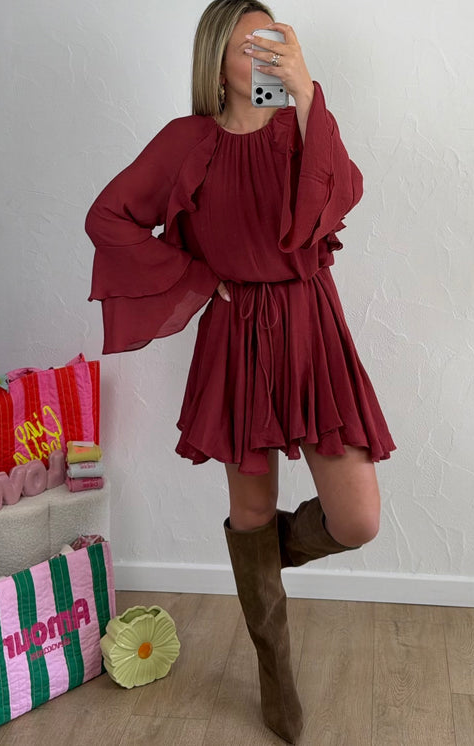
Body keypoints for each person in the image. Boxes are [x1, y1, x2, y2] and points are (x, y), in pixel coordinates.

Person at [85, 0, 396, 742]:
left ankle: (260, 563)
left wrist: (308, 93)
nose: (266, 51)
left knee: (356, 519)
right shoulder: (185, 141)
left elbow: (342, 193)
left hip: (311, 325)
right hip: (238, 337)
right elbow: (108, 217)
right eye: (248, 41)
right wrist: (198, 277)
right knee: (251, 511)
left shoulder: (300, 127)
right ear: (216, 59)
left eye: (274, 38)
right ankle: (273, 671)